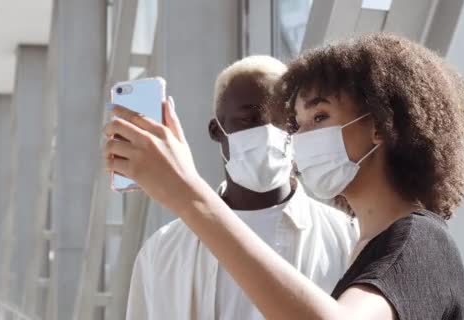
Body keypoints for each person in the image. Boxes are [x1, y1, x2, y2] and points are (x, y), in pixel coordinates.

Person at [104, 33, 464, 319]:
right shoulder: (369, 246)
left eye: (319, 118)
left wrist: (188, 194)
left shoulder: (420, 241)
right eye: (297, 125)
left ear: (380, 125)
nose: (297, 140)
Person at [125, 56, 357, 320]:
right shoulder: (163, 251)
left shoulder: (347, 239)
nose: (269, 132)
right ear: (216, 130)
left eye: (283, 121)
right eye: (250, 119)